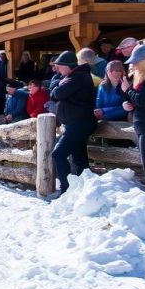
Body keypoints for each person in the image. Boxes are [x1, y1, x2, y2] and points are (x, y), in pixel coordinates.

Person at [50, 50, 98, 194]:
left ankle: (66, 189)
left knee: (58, 154)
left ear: (68, 65)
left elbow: (56, 94)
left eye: (59, 66)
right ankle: (85, 190)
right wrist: (59, 82)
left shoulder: (77, 77)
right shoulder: (74, 76)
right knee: (79, 158)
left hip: (79, 124)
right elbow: (55, 92)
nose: (57, 69)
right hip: (76, 123)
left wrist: (57, 84)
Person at [122, 43, 145, 190]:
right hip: (144, 125)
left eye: (136, 61)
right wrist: (128, 103)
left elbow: (142, 100)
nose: (133, 64)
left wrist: (128, 90)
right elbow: (139, 100)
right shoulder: (144, 78)